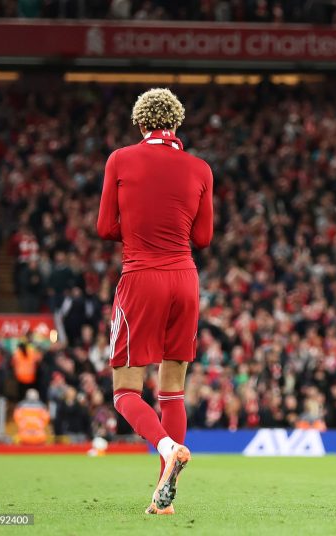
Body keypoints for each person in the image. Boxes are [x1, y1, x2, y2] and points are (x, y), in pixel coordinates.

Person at [97, 88, 213, 515]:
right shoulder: (200, 168)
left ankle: (166, 447)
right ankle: (163, 495)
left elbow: (105, 226)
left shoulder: (120, 160)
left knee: (125, 391)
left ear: (141, 124)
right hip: (185, 279)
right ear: (176, 124)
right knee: (172, 390)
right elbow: (203, 238)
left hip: (141, 276)